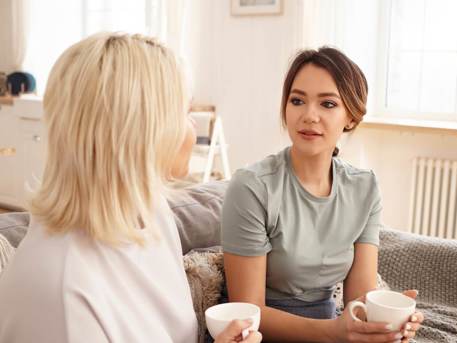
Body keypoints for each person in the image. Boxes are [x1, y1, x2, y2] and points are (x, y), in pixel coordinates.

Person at [0, 33, 261, 343]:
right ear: (145, 130)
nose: (193, 127)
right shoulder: (61, 291)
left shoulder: (151, 212)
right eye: (185, 113)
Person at [221, 47, 424, 342]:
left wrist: (386, 321)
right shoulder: (252, 187)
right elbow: (247, 312)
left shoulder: (364, 188)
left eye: (327, 104)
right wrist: (333, 332)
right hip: (258, 334)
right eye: (297, 100)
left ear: (351, 117)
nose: (309, 115)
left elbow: (360, 299)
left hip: (329, 326)